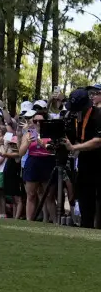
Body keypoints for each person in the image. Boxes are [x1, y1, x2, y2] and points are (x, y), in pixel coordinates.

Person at [65, 86, 101, 229]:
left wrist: (74, 148)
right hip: (85, 164)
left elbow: (98, 141)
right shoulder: (74, 118)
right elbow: (73, 138)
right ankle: (85, 228)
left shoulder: (99, 115)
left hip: (99, 163)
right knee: (85, 198)